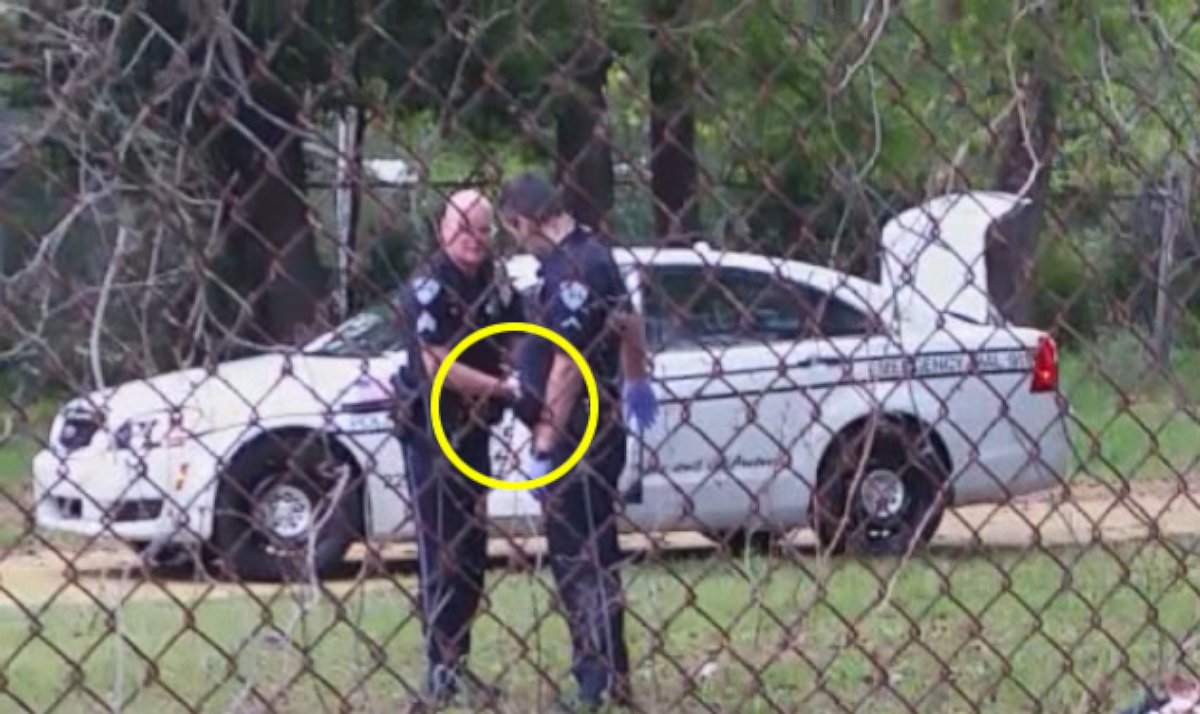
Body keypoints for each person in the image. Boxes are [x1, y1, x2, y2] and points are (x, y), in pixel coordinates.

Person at [497, 172, 658, 711]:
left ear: (527, 219)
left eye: (516, 230)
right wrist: (636, 378)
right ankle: (614, 675)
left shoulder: (571, 270)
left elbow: (566, 364)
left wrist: (545, 442)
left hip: (579, 436)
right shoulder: (599, 253)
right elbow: (629, 322)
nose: (520, 241)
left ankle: (596, 681)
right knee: (598, 551)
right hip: (603, 423)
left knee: (577, 558)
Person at [392, 188, 524, 710]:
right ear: (443, 230)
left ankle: (458, 663)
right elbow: (436, 363)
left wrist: (525, 366)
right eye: (464, 228)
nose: (474, 240)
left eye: (484, 229)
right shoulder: (428, 286)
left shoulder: (494, 277)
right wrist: (504, 389)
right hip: (432, 433)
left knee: (471, 552)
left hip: (474, 432)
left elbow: (518, 329)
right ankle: (438, 670)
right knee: (441, 551)